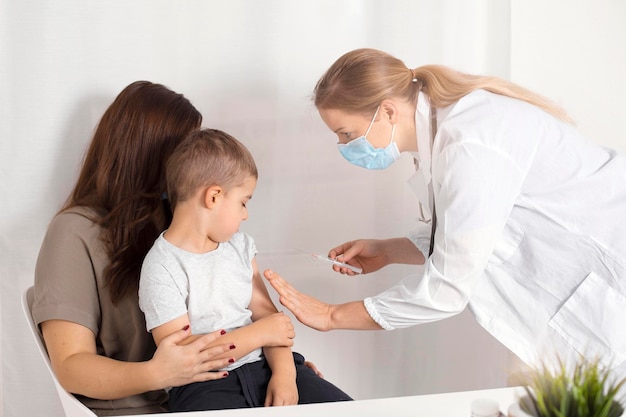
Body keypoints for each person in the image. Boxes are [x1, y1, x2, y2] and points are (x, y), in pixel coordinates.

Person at [264, 48, 626, 380]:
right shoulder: (451, 129)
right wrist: (389, 250)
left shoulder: (470, 141)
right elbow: (476, 229)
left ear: (387, 111)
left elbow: (448, 289)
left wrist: (332, 316)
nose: (343, 146)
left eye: (347, 134)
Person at [32, 81, 281, 415]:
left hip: (223, 387)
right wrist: (156, 373)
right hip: (143, 407)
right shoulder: (74, 232)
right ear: (150, 156)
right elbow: (71, 366)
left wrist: (280, 369)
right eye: (185, 149)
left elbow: (237, 315)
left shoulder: (188, 226)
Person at [138, 128, 352, 411]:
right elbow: (185, 357)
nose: (245, 215)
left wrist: (286, 375)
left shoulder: (240, 247)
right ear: (213, 197)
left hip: (267, 364)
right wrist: (260, 334)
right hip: (204, 385)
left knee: (346, 409)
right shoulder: (161, 266)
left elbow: (271, 321)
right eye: (243, 202)